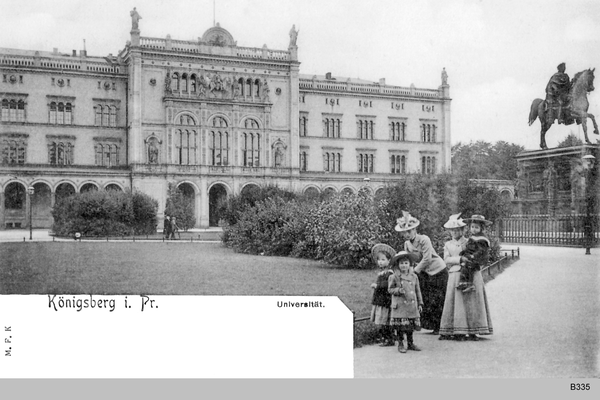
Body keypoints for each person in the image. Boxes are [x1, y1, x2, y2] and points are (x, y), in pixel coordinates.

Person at [439, 213, 493, 341]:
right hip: (454, 274)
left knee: (472, 301)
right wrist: (459, 259)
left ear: (463, 230)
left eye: (458, 230)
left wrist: (472, 260)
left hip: (472, 273)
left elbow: (479, 254)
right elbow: (446, 259)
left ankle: (474, 330)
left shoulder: (469, 241)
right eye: (452, 230)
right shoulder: (448, 244)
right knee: (455, 302)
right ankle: (455, 330)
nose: (455, 232)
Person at [395, 211, 447, 335]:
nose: (407, 234)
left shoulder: (424, 239)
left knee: (438, 298)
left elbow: (427, 259)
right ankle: (428, 324)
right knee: (426, 298)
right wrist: (408, 271)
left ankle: (441, 326)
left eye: (409, 231)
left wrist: (415, 271)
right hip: (424, 273)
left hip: (438, 270)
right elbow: (410, 260)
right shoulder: (407, 244)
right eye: (404, 232)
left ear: (415, 229)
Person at [388, 251, 423, 353]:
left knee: (410, 326)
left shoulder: (414, 276)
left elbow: (417, 290)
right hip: (400, 306)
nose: (404, 266)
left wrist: (420, 303)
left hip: (411, 306)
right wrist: (398, 290)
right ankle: (400, 343)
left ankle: (411, 343)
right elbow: (390, 289)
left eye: (406, 263)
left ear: (410, 265)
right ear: (398, 265)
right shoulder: (394, 277)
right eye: (401, 263)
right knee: (400, 327)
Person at [369, 244, 396, 347]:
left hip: (385, 300)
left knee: (385, 320)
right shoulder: (381, 273)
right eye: (379, 260)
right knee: (382, 321)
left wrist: (377, 285)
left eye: (383, 259)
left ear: (389, 261)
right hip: (379, 300)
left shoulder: (389, 273)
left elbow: (387, 285)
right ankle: (385, 337)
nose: (380, 262)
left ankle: (389, 339)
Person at [457, 215, 492, 293]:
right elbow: (469, 248)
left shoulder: (482, 239)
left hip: (479, 258)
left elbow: (481, 251)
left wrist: (473, 256)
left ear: (481, 228)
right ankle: (464, 283)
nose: (474, 229)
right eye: (472, 227)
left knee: (469, 265)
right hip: (471, 256)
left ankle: (470, 285)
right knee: (464, 265)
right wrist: (464, 252)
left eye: (476, 227)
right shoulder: (472, 237)